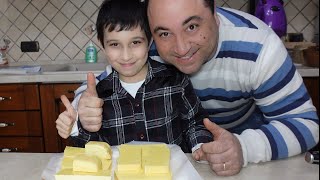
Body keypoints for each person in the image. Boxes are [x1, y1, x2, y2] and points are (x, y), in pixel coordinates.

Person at [56, 0, 319, 176]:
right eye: (164, 33)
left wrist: (244, 147)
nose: (180, 49)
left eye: (192, 26)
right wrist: (81, 108)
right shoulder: (145, 47)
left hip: (250, 153)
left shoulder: (260, 46)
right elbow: (103, 85)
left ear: (215, 18)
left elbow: (306, 124)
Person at [56, 0, 213, 154]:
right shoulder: (98, 96)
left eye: (135, 42)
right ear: (101, 44)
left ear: (149, 40)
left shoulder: (175, 81)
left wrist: (200, 147)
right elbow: (92, 150)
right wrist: (76, 128)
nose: (126, 56)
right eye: (114, 45)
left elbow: (195, 124)